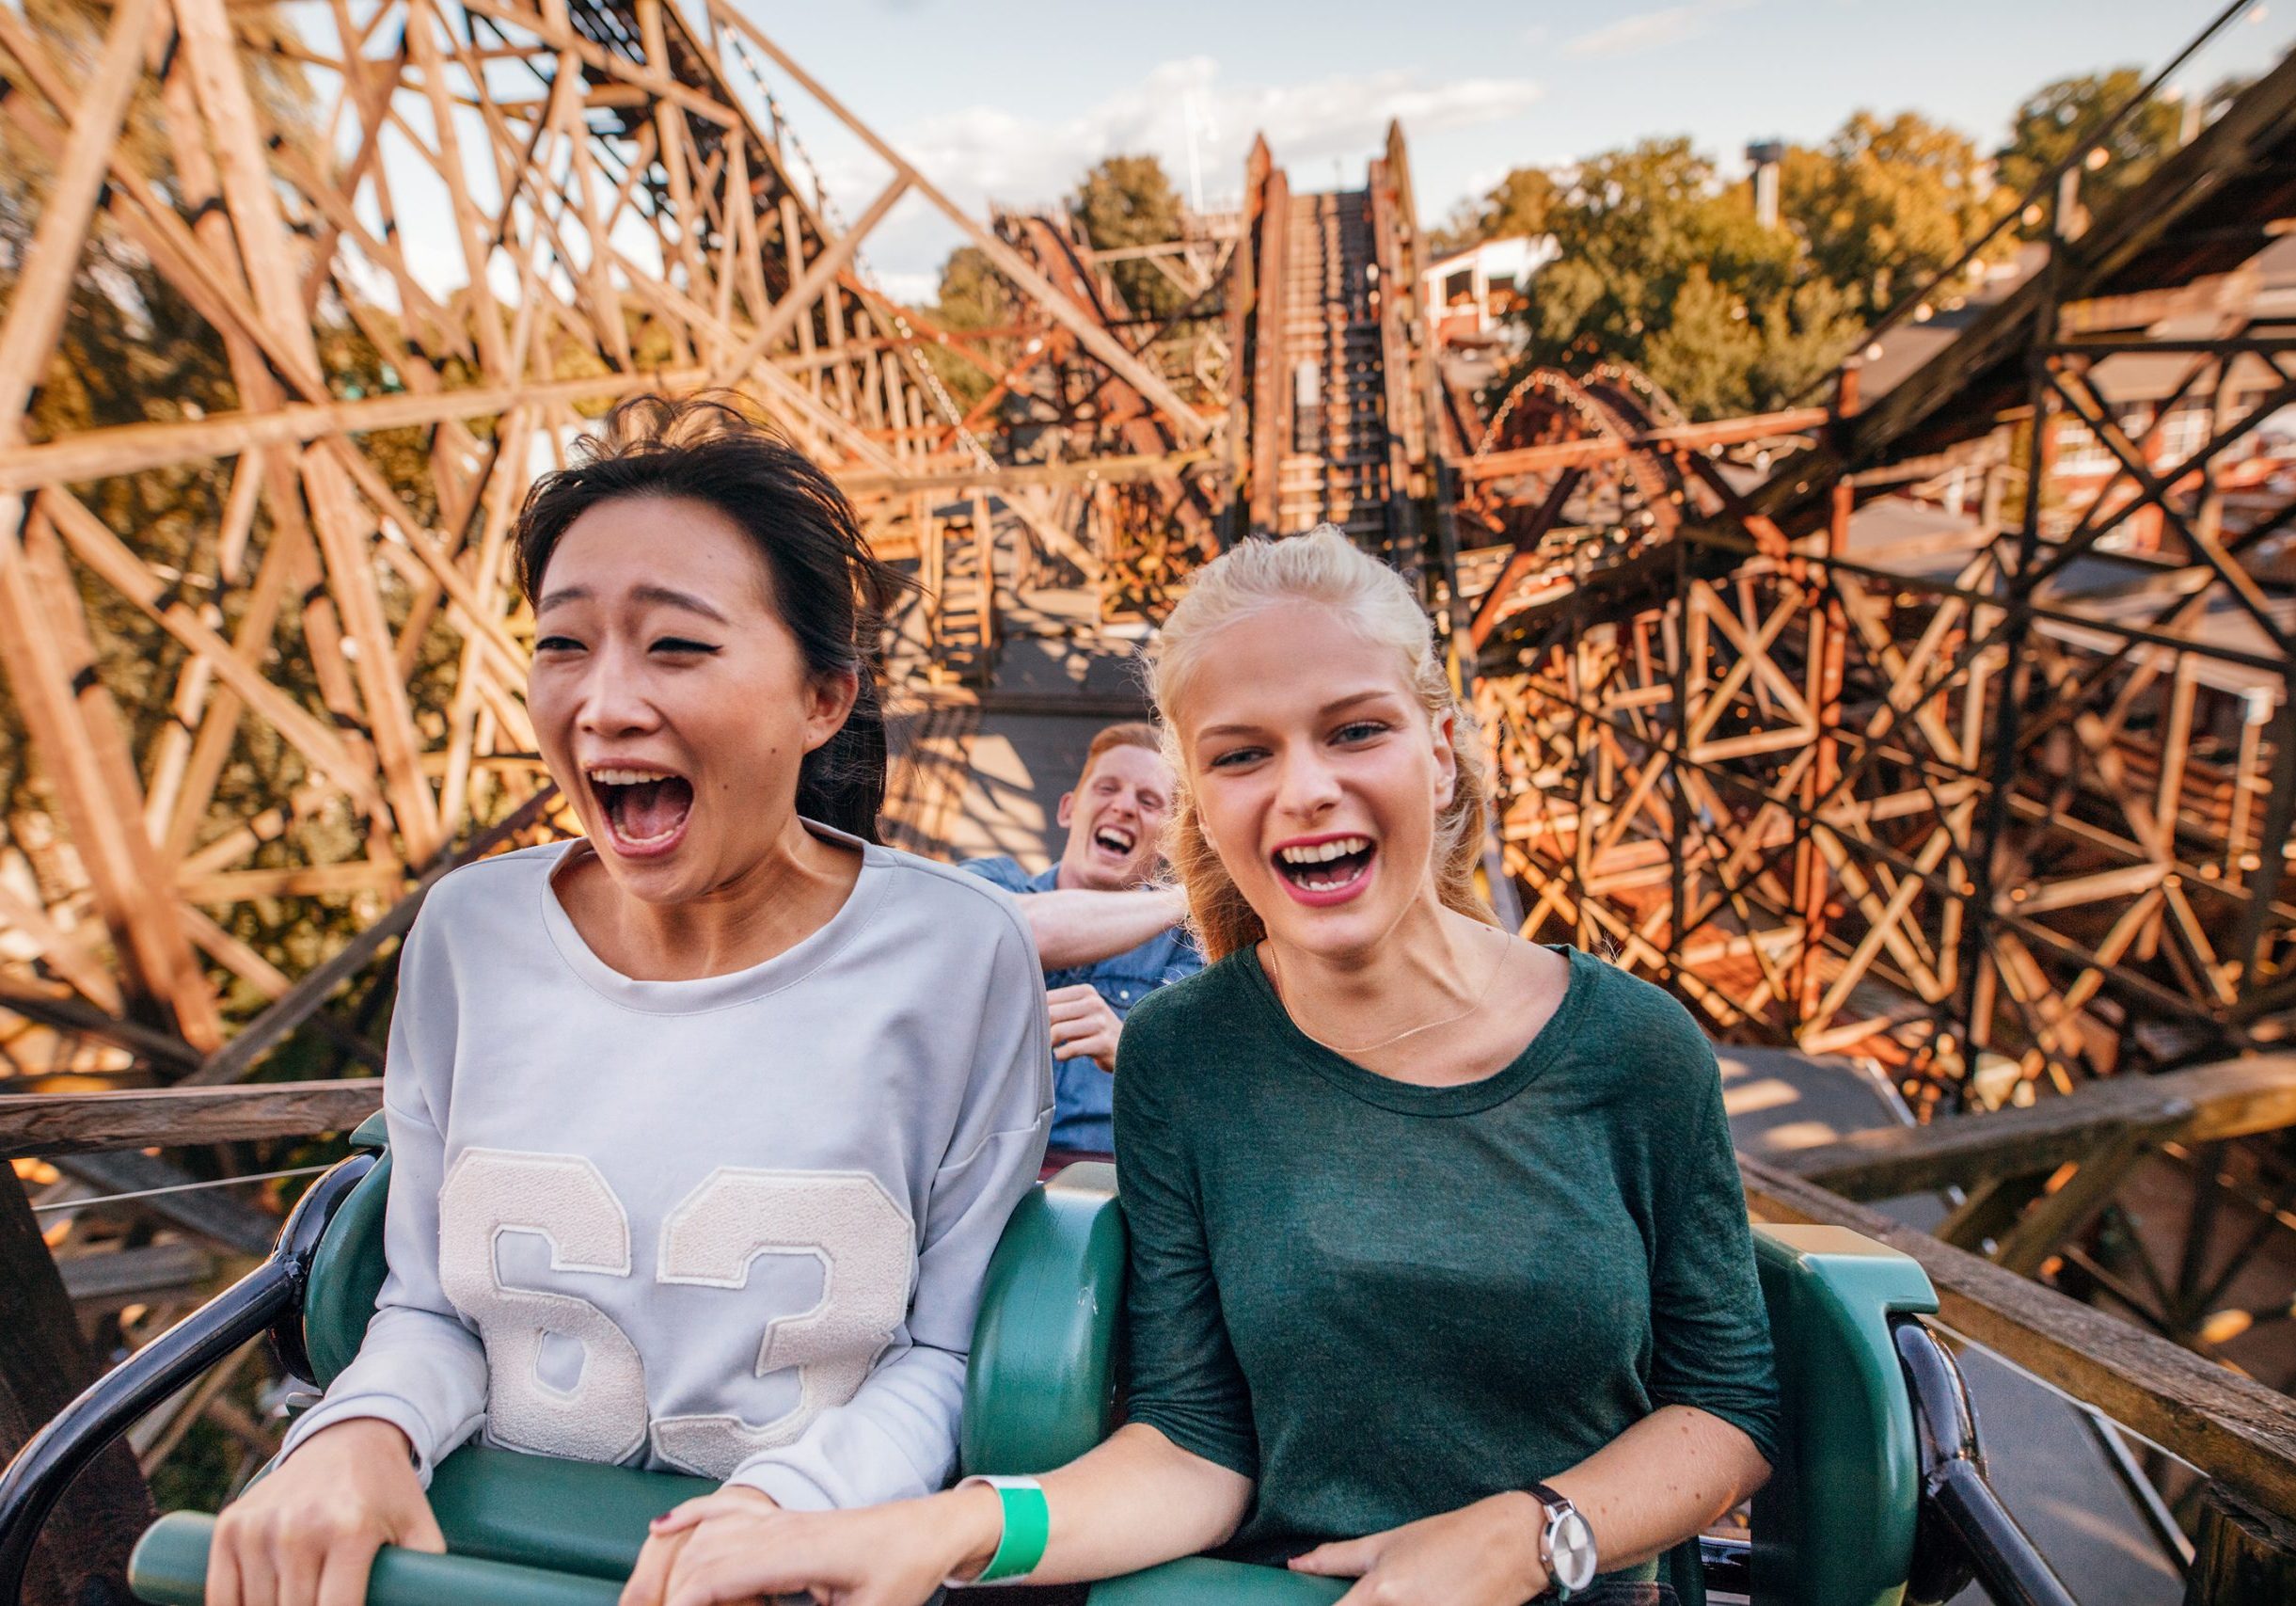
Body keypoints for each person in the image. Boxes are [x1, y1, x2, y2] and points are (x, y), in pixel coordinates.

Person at [626, 525, 1780, 1606]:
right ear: (1205, 811)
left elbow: (1726, 1407)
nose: (1303, 788)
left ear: (1439, 753)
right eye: (1241, 756)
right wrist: (936, 1529)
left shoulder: (1632, 1046)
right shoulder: (1187, 1056)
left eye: (1354, 731)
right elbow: (1194, 1449)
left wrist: (1523, 1535)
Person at [203, 396, 1052, 1606]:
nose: (602, 705)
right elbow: (433, 1305)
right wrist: (361, 1428)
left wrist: (784, 1512)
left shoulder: (958, 956)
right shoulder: (468, 935)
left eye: (676, 647)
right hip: (490, 1565)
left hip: (806, 1572)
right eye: (562, 645)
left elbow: (953, 1351)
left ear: (823, 698)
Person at [961, 723, 1200, 1156]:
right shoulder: (990, 882)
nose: (1124, 807)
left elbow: (1200, 1092)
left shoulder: (1184, 947)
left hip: (1105, 1186)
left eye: (1149, 801)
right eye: (1107, 788)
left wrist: (1132, 1054)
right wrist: (1192, 894)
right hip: (974, 1173)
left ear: (1169, 841)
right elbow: (1014, 929)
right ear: (1068, 809)